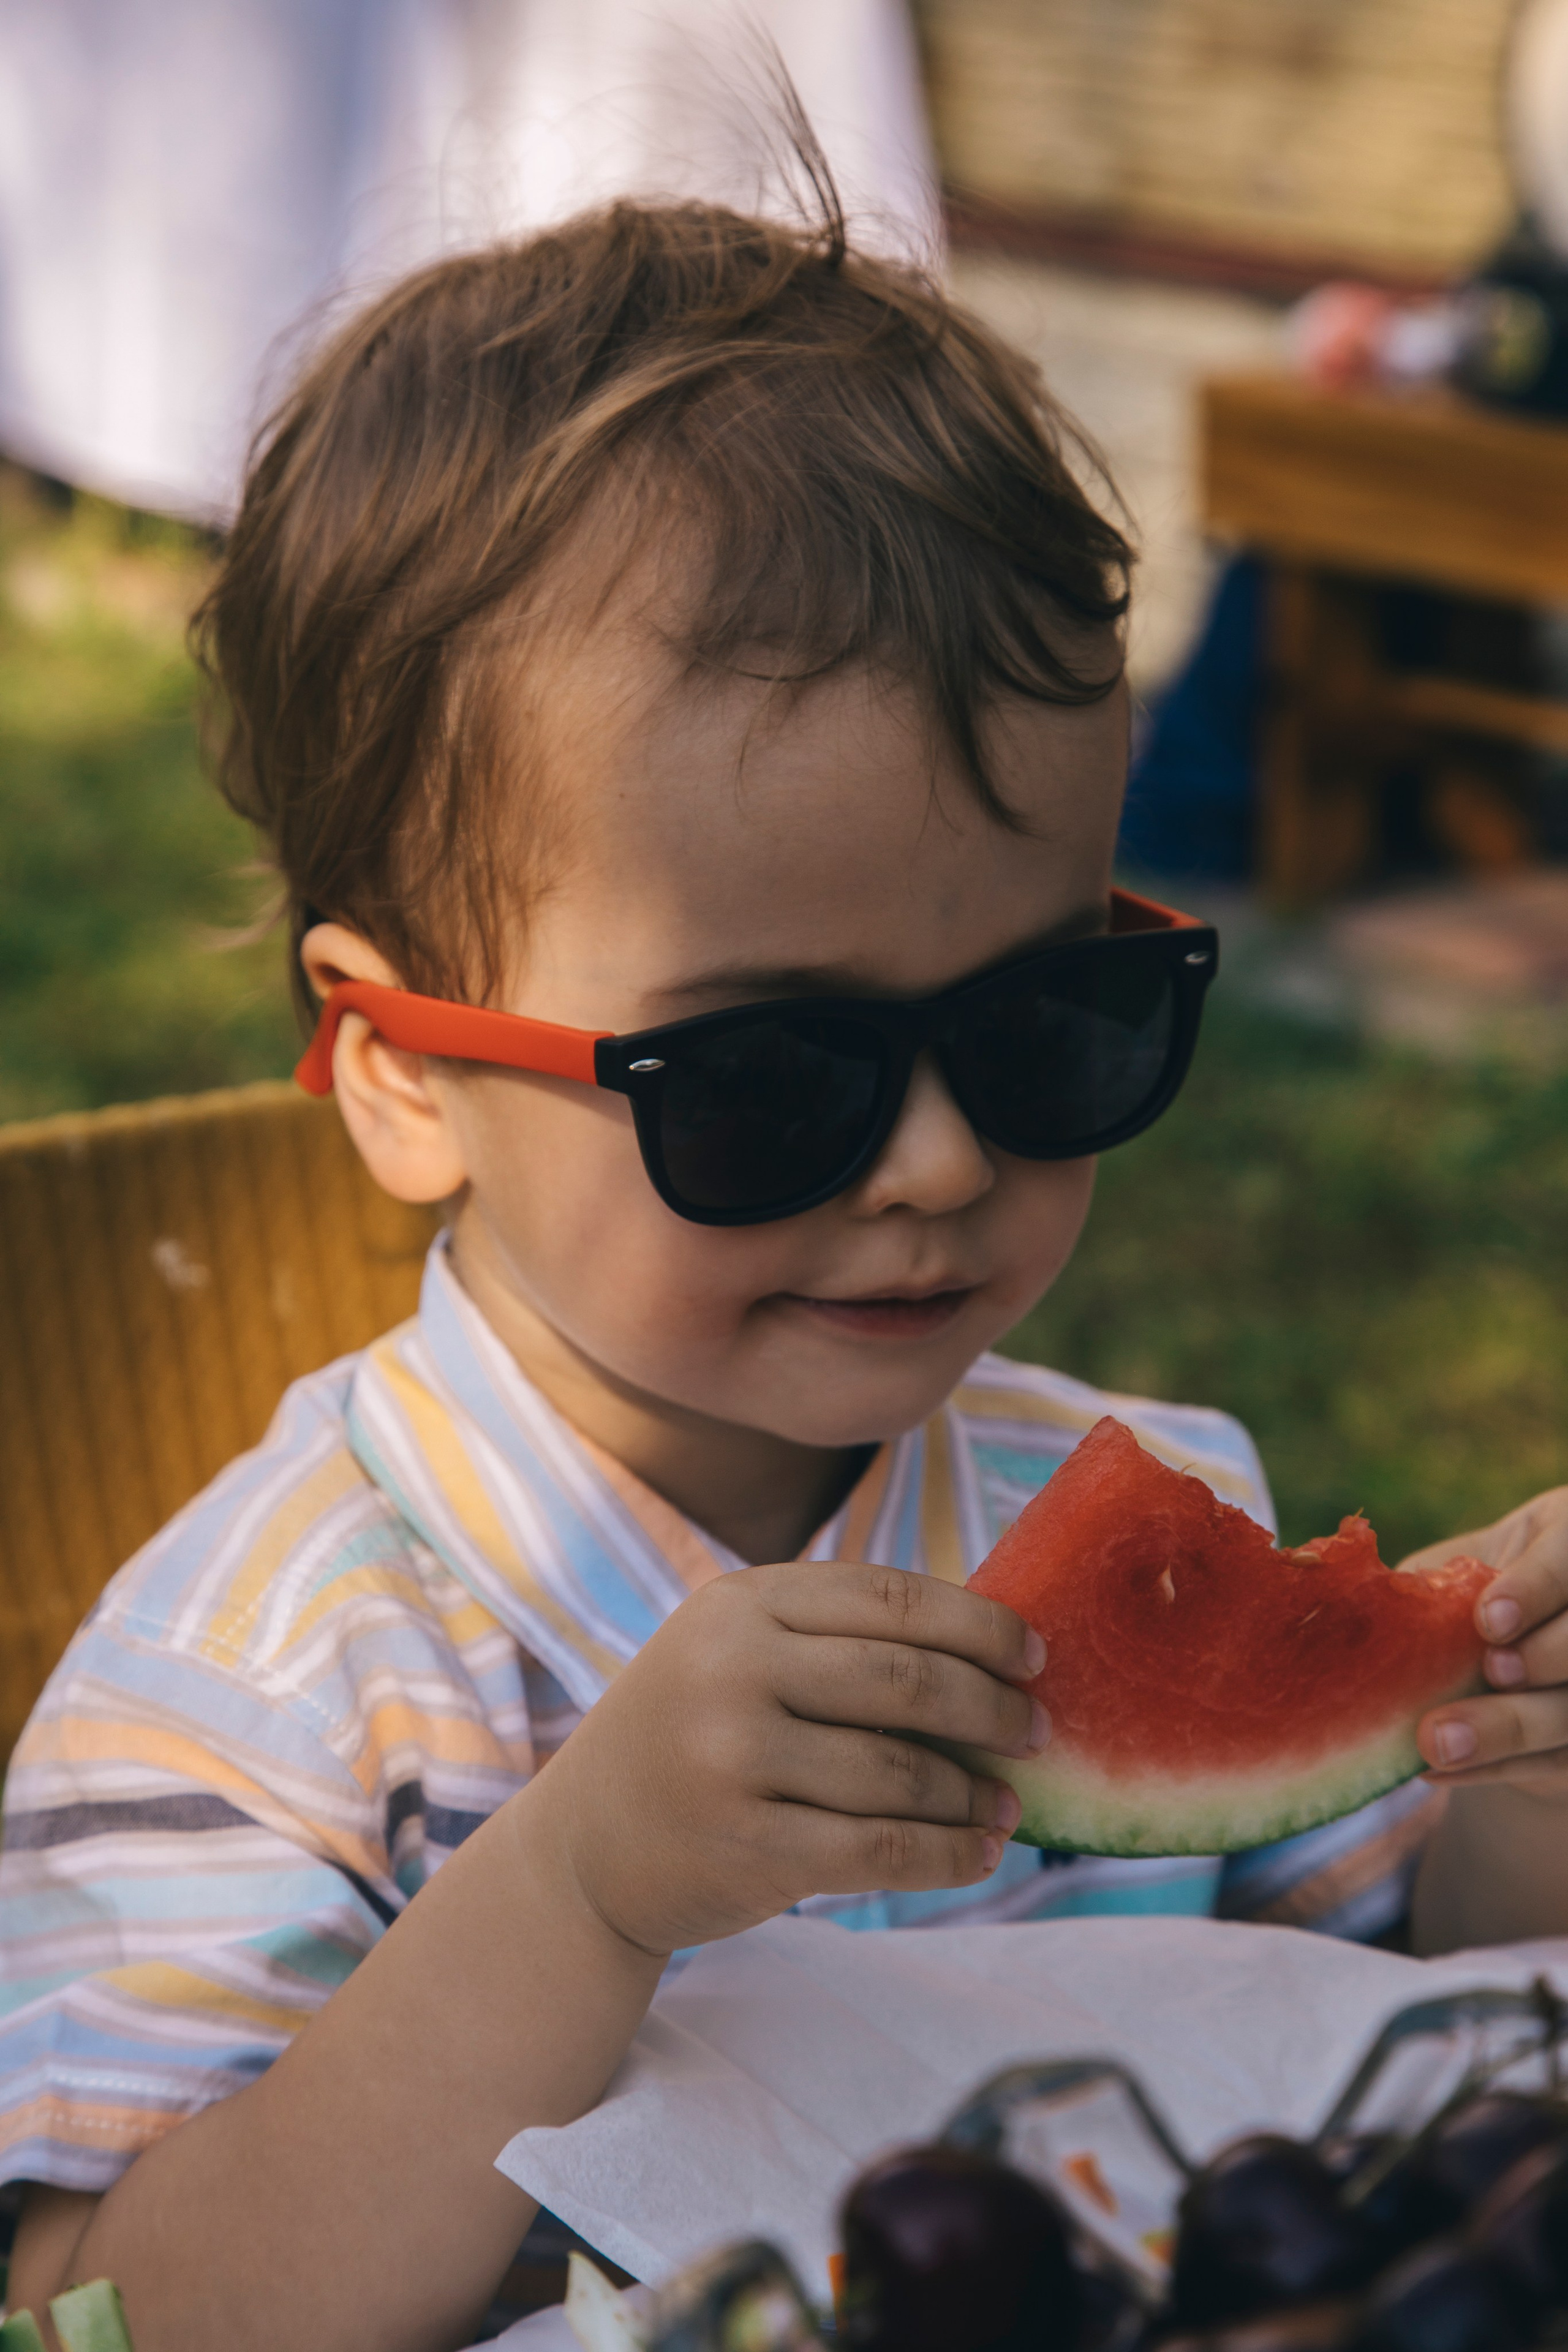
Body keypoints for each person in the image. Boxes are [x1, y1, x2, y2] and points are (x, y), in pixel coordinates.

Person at [2, 183, 1566, 2352]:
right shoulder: (271, 1689)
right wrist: (574, 1892)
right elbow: (103, 2313)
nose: (936, 1159)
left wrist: (1524, 1779)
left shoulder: (1130, 1484)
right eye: (765, 1076)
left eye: (1047, 1024)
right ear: (400, 1075)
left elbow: (1391, 2012)